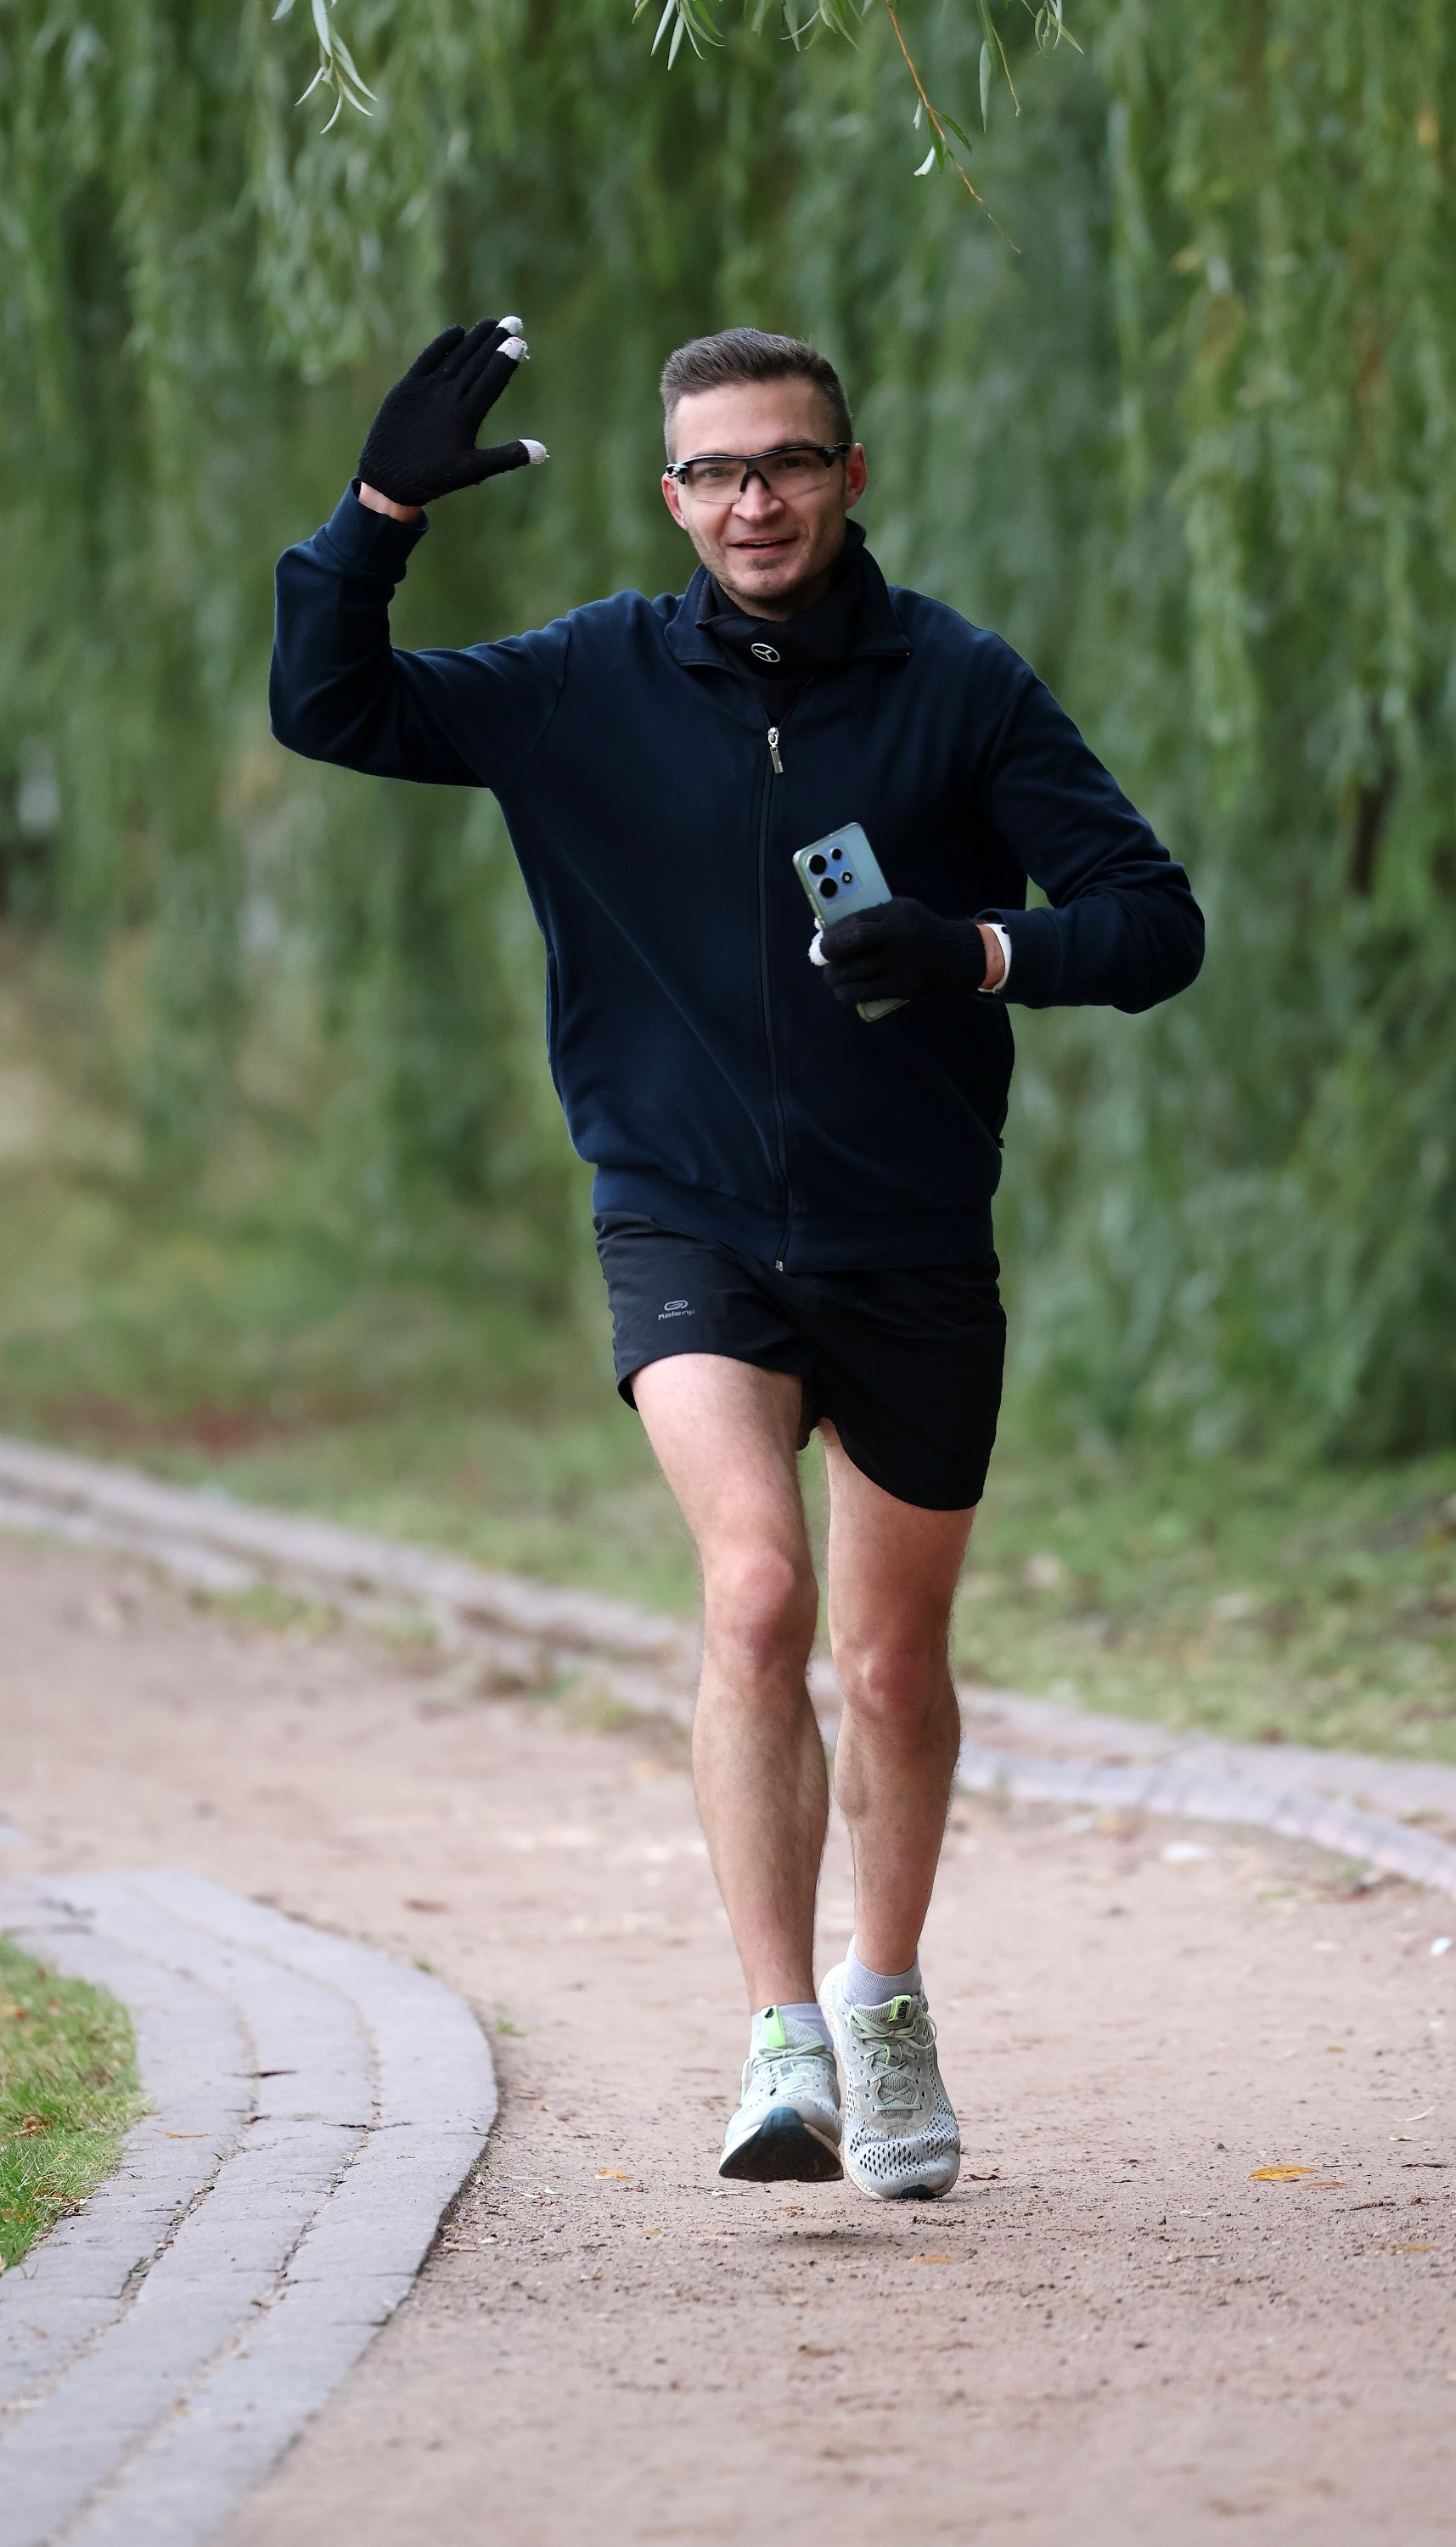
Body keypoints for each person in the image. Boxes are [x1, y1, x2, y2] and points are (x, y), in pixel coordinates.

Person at [271, 319, 1203, 2200]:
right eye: (713, 471)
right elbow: (330, 704)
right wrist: (376, 509)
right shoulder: (587, 681)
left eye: (785, 463)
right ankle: (781, 2038)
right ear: (671, 494)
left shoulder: (958, 684)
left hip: (912, 1233)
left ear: (850, 477)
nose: (751, 500)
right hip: (680, 1208)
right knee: (757, 1599)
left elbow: (1152, 922)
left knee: (889, 1660)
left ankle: (886, 1993)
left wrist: (973, 951)